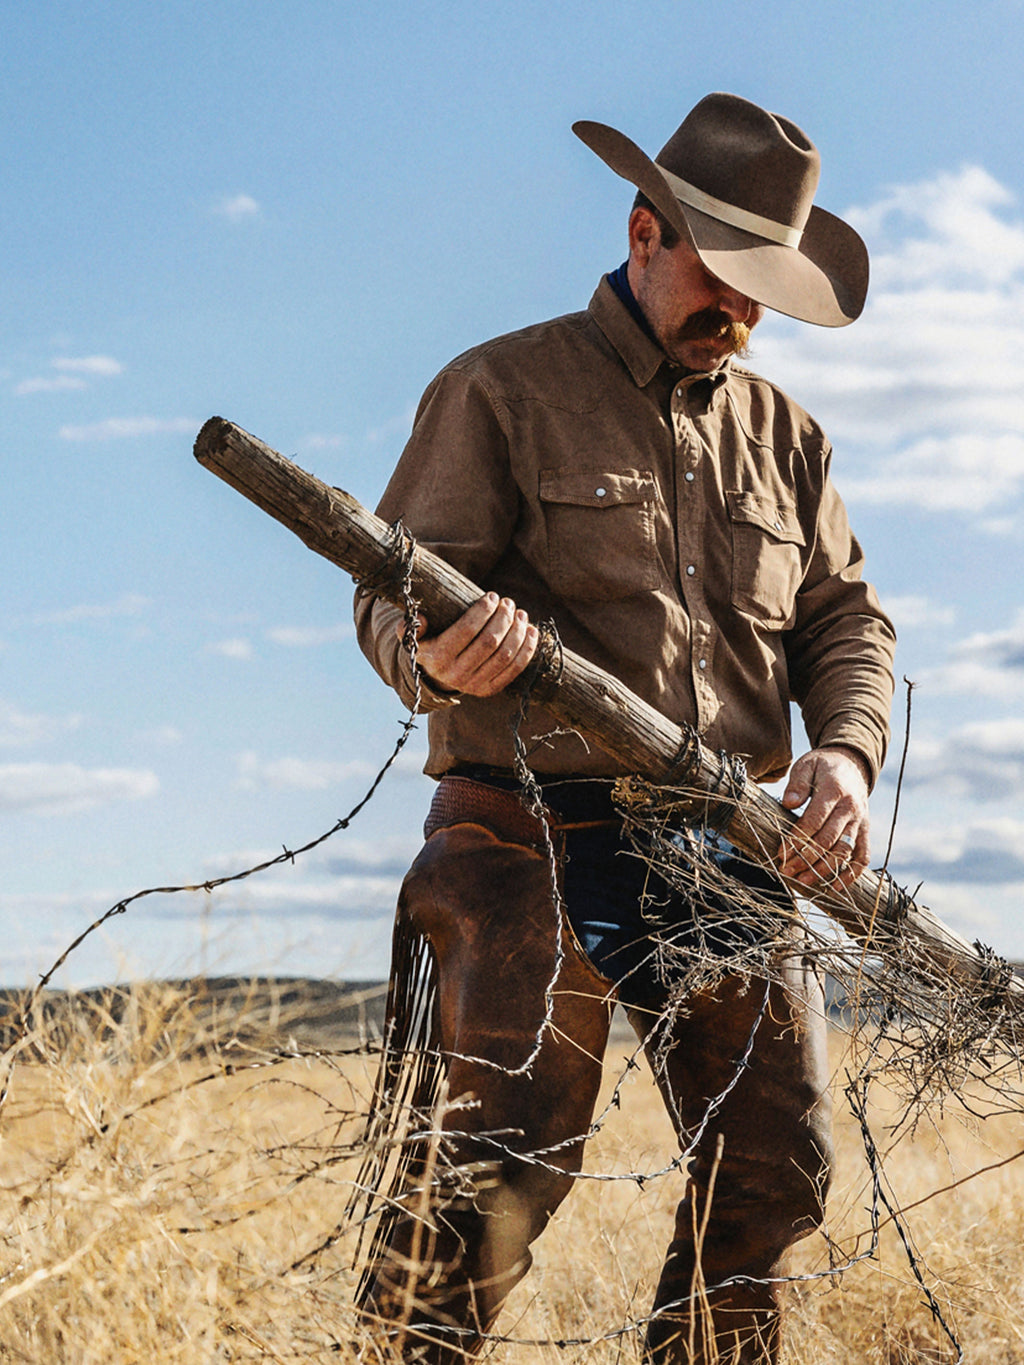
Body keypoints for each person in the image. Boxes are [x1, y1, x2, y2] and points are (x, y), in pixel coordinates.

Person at [354, 92, 896, 1365]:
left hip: (727, 846)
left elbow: (845, 622)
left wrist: (845, 751)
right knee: (501, 1164)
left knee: (777, 1165)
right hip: (523, 830)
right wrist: (430, 653)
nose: (740, 313)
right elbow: (391, 587)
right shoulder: (499, 387)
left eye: (763, 292)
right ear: (644, 230)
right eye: (722, 276)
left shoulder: (788, 437)